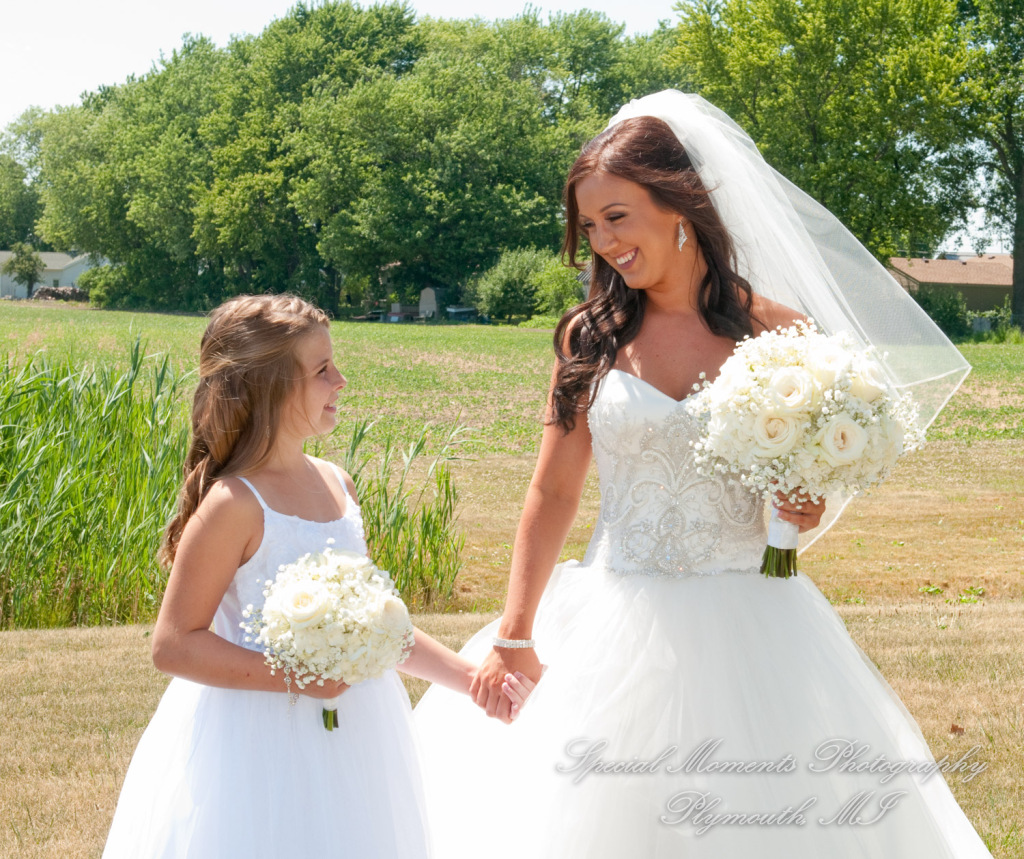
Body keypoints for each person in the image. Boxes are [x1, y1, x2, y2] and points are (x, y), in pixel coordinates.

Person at [413, 92, 991, 857]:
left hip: (756, 615)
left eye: (618, 215)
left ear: (680, 204)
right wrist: (516, 632)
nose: (604, 241)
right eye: (589, 225)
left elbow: (807, 470)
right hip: (615, 606)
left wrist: (804, 501)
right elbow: (552, 491)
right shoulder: (592, 336)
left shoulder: (779, 332)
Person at [102, 294, 530, 859]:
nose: (342, 380)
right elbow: (174, 645)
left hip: (360, 729)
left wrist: (474, 681)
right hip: (254, 742)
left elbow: (375, 627)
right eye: (322, 370)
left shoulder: (336, 483)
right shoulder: (234, 504)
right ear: (270, 388)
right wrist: (297, 677)